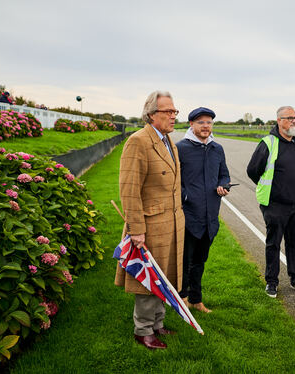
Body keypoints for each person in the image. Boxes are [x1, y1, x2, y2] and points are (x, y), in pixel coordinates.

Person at [116, 90, 185, 350]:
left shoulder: (169, 141)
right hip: (149, 225)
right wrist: (136, 230)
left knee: (163, 276)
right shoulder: (139, 141)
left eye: (174, 111)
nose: (173, 116)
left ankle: (158, 324)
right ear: (151, 114)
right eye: (168, 111)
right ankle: (143, 330)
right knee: (147, 280)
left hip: (171, 223)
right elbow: (129, 189)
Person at [247, 106, 295, 298]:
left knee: (294, 244)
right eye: (290, 118)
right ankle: (272, 282)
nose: (294, 121)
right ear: (279, 121)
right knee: (273, 244)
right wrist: (272, 190)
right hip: (276, 206)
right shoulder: (269, 143)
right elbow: (252, 170)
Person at [176, 107, 230, 313]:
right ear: (191, 124)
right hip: (188, 214)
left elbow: (224, 174)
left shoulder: (217, 149)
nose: (206, 126)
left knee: (200, 261)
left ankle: (196, 300)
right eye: (201, 122)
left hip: (210, 216)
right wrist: (186, 196)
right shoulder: (180, 148)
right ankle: (181, 299)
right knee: (184, 261)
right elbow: (173, 181)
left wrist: (223, 185)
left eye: (209, 122)